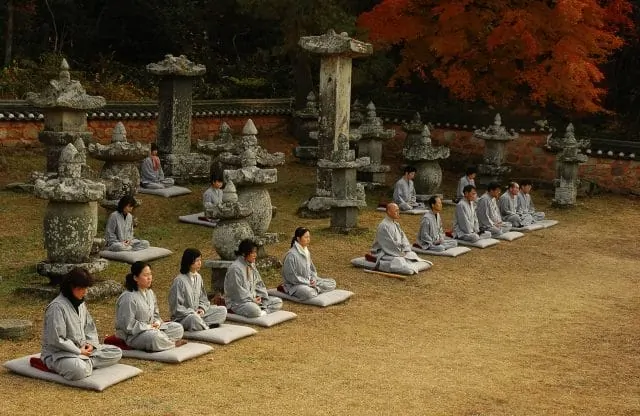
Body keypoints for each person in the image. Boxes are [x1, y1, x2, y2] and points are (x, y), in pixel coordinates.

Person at [41, 268, 122, 381]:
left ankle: (86, 362)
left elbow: (89, 327)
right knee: (78, 370)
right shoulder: (56, 307)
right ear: (71, 287)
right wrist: (79, 351)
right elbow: (57, 339)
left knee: (116, 352)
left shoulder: (80, 303)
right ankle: (84, 363)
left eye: (86, 288)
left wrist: (90, 345)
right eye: (81, 288)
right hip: (61, 354)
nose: (85, 292)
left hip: (83, 350)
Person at [115, 261, 185, 351]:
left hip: (153, 329)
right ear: (135, 277)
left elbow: (155, 314)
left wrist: (157, 323)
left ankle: (163, 341)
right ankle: (171, 343)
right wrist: (148, 327)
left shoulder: (150, 292)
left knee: (178, 328)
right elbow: (128, 325)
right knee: (154, 337)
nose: (149, 278)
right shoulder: (128, 297)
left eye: (150, 274)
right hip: (134, 335)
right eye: (145, 275)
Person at [168, 248, 227, 330]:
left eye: (200, 260)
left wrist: (202, 309)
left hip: (198, 314)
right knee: (193, 319)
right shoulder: (179, 281)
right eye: (197, 260)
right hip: (185, 317)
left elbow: (203, 299)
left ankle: (200, 324)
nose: (200, 263)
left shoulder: (198, 277)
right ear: (189, 262)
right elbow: (176, 308)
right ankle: (204, 326)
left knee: (222, 310)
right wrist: (192, 312)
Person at [224, 239, 283, 317]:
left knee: (278, 301)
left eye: (256, 252)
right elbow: (238, 292)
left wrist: (262, 297)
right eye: (253, 252)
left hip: (254, 299)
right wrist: (253, 299)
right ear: (244, 253)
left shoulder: (252, 264)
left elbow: (259, 283)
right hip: (239, 302)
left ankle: (263, 312)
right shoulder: (235, 269)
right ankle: (260, 311)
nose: (255, 255)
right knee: (254, 310)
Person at [281, 227, 337, 300]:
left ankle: (315, 288)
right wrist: (308, 283)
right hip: (296, 285)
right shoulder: (291, 255)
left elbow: (312, 270)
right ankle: (316, 289)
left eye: (309, 237)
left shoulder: (306, 252)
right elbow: (291, 278)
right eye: (306, 237)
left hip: (309, 282)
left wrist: (313, 279)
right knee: (309, 293)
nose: (308, 239)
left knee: (332, 283)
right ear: (298, 238)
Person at [370, 203, 427, 274]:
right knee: (399, 260)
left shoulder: (396, 224)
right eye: (396, 211)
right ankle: (406, 265)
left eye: (398, 210)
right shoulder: (383, 226)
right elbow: (388, 244)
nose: (398, 212)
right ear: (389, 212)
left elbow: (404, 238)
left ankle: (407, 263)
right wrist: (400, 253)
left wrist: (406, 249)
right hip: (384, 252)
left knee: (412, 254)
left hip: (398, 250)